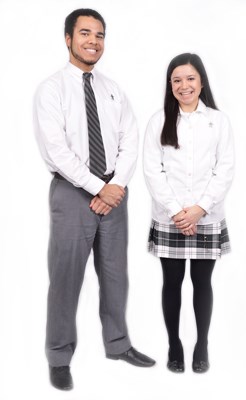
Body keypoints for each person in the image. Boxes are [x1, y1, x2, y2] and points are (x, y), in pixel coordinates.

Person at [33, 8, 155, 391]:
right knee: (66, 278)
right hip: (73, 191)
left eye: (99, 35)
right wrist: (96, 186)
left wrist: (115, 185)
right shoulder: (51, 89)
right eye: (85, 33)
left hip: (114, 191)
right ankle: (59, 356)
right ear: (68, 38)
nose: (93, 41)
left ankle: (118, 345)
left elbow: (130, 139)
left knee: (116, 275)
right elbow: (56, 150)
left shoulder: (112, 88)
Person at [143, 53, 234, 374]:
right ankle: (174, 344)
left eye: (190, 78)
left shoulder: (218, 121)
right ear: (170, 85)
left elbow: (224, 169)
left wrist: (199, 210)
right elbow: (154, 171)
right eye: (177, 80)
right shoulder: (159, 120)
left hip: (206, 216)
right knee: (171, 282)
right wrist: (176, 212)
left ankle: (202, 344)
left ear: (202, 81)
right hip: (170, 217)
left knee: (202, 283)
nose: (184, 85)